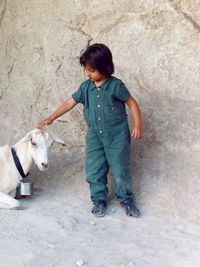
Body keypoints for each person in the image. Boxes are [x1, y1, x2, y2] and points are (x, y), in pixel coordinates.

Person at [37, 43, 143, 218]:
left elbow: (132, 103)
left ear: (105, 68)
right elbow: (70, 102)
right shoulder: (86, 87)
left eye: (92, 70)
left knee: (120, 169)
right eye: (86, 70)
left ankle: (126, 200)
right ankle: (99, 200)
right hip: (94, 136)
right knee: (94, 169)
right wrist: (51, 117)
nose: (88, 73)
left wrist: (138, 124)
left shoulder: (116, 86)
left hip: (117, 137)